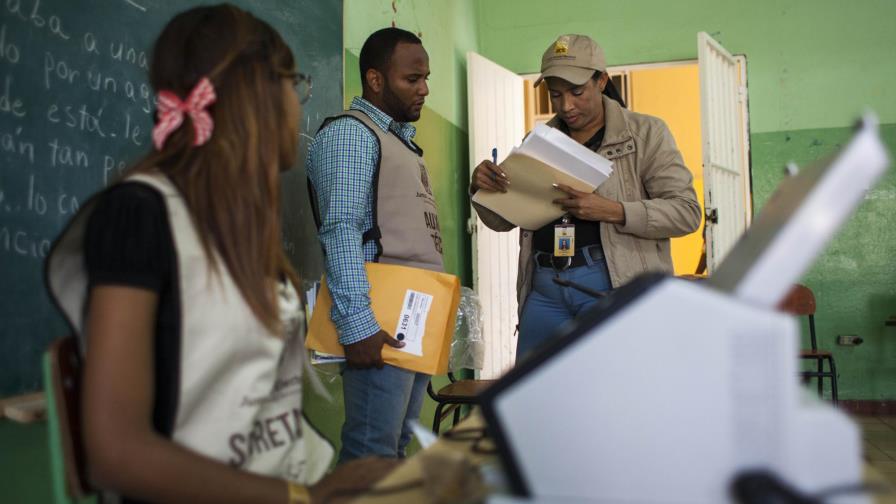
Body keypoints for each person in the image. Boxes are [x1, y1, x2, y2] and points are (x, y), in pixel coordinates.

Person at [46, 5, 396, 503]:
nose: (299, 106)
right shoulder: (139, 215)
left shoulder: (233, 222)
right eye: (293, 84)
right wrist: (305, 498)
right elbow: (116, 452)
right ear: (256, 93)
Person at [470, 34, 701, 360]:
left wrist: (615, 211)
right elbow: (501, 221)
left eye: (577, 92)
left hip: (610, 285)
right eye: (555, 95)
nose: (566, 106)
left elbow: (686, 212)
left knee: (612, 396)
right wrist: (481, 188)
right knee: (537, 397)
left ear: (602, 80)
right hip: (545, 288)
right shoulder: (539, 142)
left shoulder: (646, 133)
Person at [306, 27, 441, 462]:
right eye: (412, 79)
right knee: (371, 454)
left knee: (396, 447)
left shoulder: (399, 142)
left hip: (411, 316)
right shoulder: (351, 134)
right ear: (375, 79)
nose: (423, 89)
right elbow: (341, 229)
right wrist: (358, 324)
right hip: (376, 318)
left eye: (426, 79)